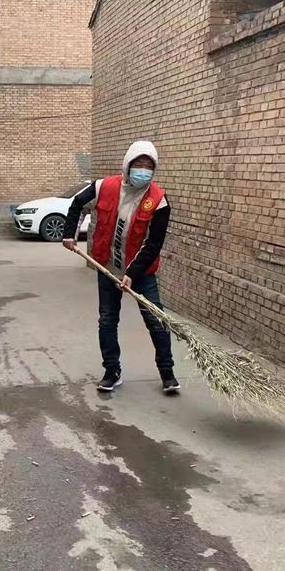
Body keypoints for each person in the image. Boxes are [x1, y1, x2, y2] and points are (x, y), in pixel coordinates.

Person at [62, 141, 180, 395]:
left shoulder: (158, 200)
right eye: (139, 164)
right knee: (107, 320)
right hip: (107, 266)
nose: (143, 170)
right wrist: (69, 233)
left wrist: (131, 274)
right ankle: (112, 372)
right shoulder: (104, 187)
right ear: (128, 164)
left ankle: (167, 372)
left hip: (141, 272)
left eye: (149, 166)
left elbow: (154, 244)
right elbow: (77, 204)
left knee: (157, 320)